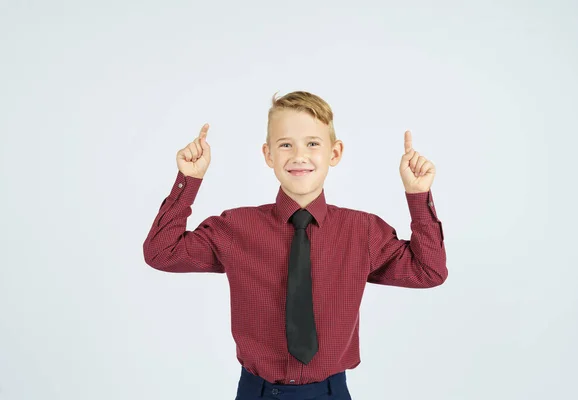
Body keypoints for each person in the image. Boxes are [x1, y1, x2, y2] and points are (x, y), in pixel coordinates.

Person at [142, 91, 447, 399]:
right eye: (285, 144)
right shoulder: (236, 227)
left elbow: (428, 271)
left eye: (313, 143)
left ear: (335, 153)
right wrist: (188, 181)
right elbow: (161, 252)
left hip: (330, 392)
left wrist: (418, 196)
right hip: (256, 392)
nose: (299, 155)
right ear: (268, 155)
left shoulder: (363, 231)